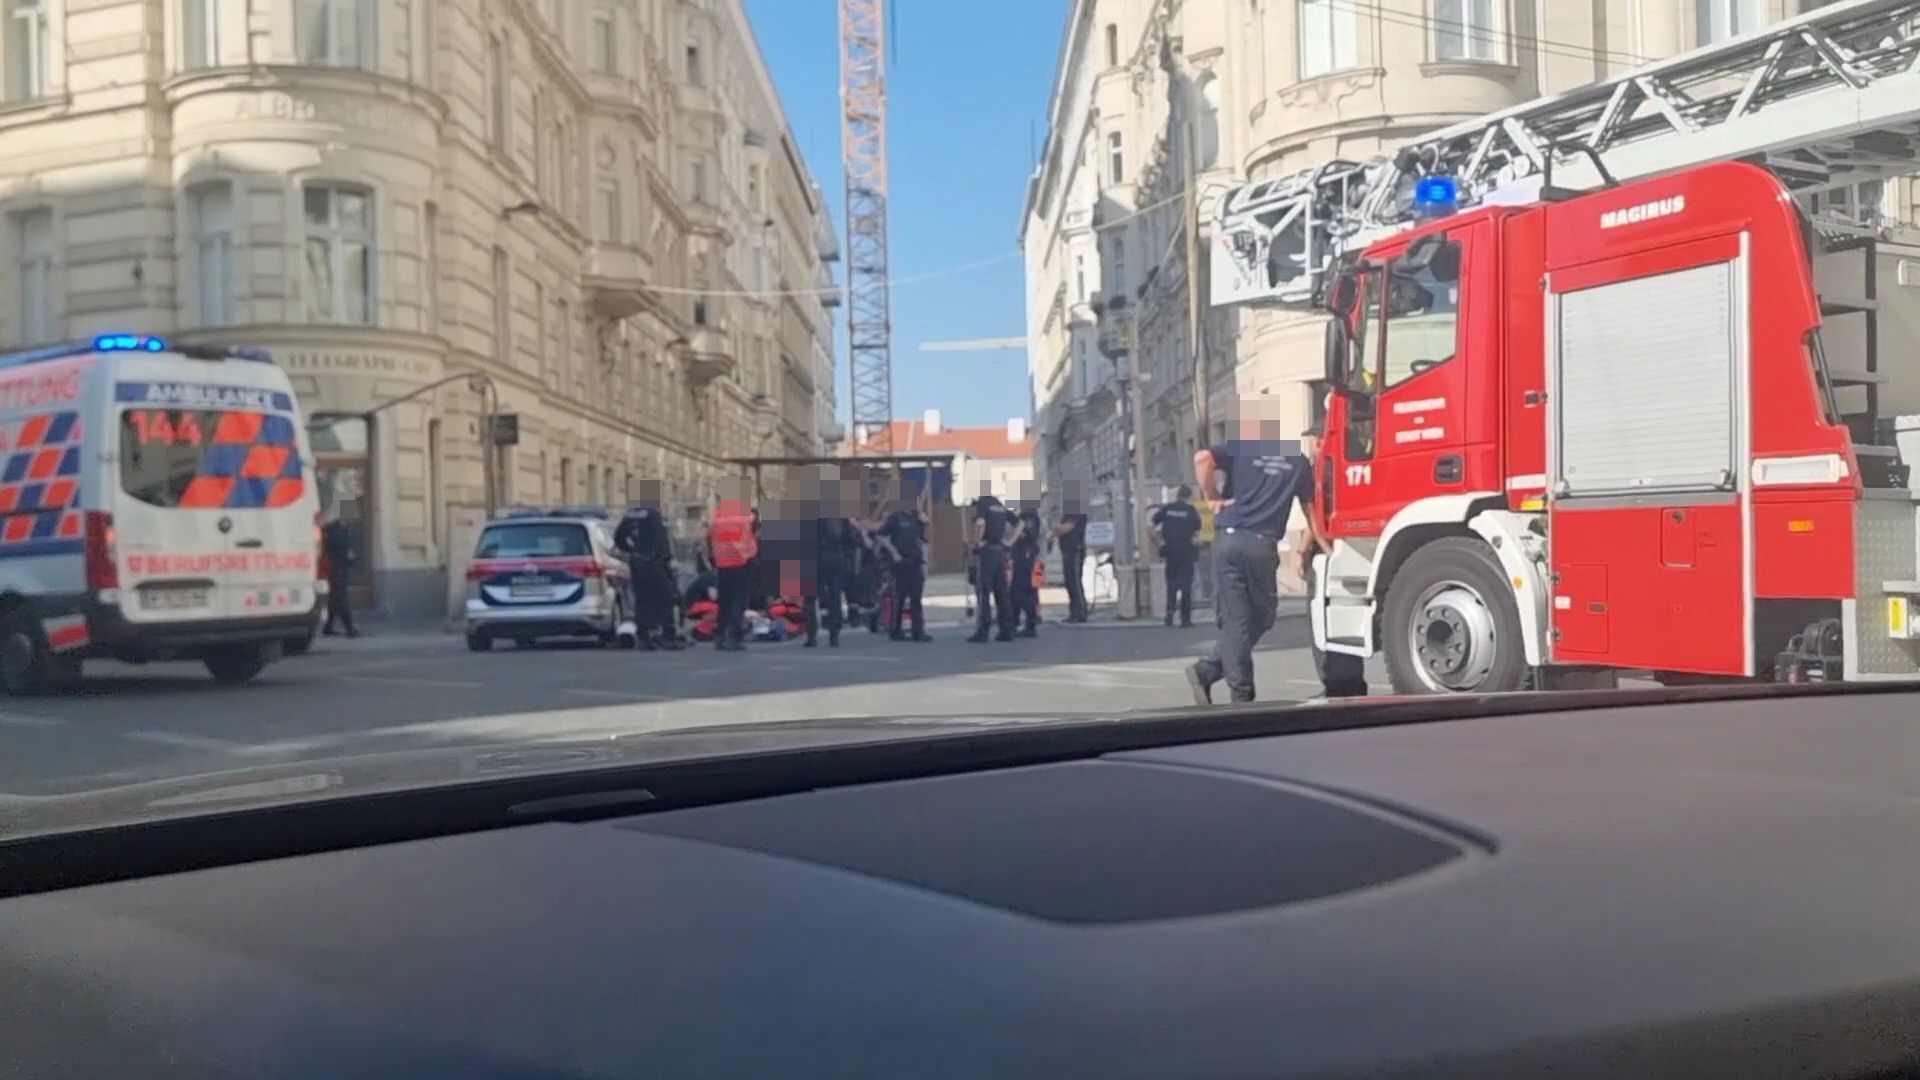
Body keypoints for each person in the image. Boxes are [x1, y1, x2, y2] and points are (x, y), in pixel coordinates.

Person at [1185, 401, 1313, 705]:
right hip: (1261, 545)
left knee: (1241, 620)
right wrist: (1314, 544)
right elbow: (1312, 510)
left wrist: (1211, 497)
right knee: (1255, 618)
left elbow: (1202, 457)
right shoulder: (1297, 460)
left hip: (1228, 540)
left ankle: (1210, 669)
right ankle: (1241, 695)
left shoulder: (1242, 449)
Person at [1298, 422, 1368, 698]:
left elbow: (1314, 516)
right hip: (1352, 545)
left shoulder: (1321, 468)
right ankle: (1353, 684)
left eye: (1311, 440)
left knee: (1324, 620)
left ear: (1319, 440)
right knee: (1348, 614)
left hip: (1325, 549)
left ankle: (1334, 687)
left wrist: (1302, 552)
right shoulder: (1356, 459)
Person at [614, 483, 679, 650]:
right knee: (667, 597)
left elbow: (618, 538)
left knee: (643, 599)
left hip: (637, 563)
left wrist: (631, 552)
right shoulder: (652, 515)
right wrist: (659, 558)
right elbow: (660, 541)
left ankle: (644, 636)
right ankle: (668, 636)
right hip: (654, 563)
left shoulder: (630, 516)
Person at [705, 485, 759, 652]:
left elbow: (708, 539)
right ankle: (734, 637)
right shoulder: (747, 517)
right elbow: (756, 532)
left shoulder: (716, 518)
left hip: (722, 563)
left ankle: (720, 636)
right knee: (739, 601)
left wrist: (713, 558)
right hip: (743, 562)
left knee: (725, 602)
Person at [878, 499, 932, 642]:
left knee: (916, 597)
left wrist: (926, 523)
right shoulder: (895, 518)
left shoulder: (916, 519)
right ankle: (895, 630)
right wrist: (894, 553)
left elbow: (925, 539)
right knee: (899, 597)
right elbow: (881, 535)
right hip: (901, 561)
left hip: (915, 561)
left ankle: (918, 631)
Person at [968, 489, 1016, 643]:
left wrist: (976, 542)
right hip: (1000, 551)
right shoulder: (999, 505)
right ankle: (1006, 630)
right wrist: (1009, 542)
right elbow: (1020, 522)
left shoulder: (982, 504)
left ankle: (983, 630)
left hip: (987, 551)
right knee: (1002, 593)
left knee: (983, 592)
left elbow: (980, 523)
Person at [1151, 485, 1202, 628]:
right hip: (1186, 552)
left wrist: (1158, 543)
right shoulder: (1191, 511)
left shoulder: (1167, 509)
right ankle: (1185, 619)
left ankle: (1169, 615)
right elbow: (1197, 532)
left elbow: (1151, 525)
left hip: (1170, 551)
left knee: (1171, 585)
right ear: (1189, 497)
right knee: (1186, 586)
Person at [1053, 484, 1090, 623]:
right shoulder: (1070, 512)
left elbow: (1066, 528)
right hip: (1068, 550)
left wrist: (1058, 529)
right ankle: (1075, 612)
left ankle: (1079, 613)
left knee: (1074, 582)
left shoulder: (1076, 511)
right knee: (1070, 582)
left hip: (1074, 550)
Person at [320, 516, 359, 638]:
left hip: (341, 567)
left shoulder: (345, 528)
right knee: (341, 597)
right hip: (335, 568)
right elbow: (335, 547)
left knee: (335, 598)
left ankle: (329, 626)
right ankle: (349, 627)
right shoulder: (333, 529)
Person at [1010, 499, 1043, 637]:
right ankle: (1018, 620)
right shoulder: (1027, 516)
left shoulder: (1030, 517)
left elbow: (1027, 534)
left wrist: (1014, 526)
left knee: (1025, 591)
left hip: (1026, 558)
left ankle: (1031, 623)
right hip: (1027, 558)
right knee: (1021, 591)